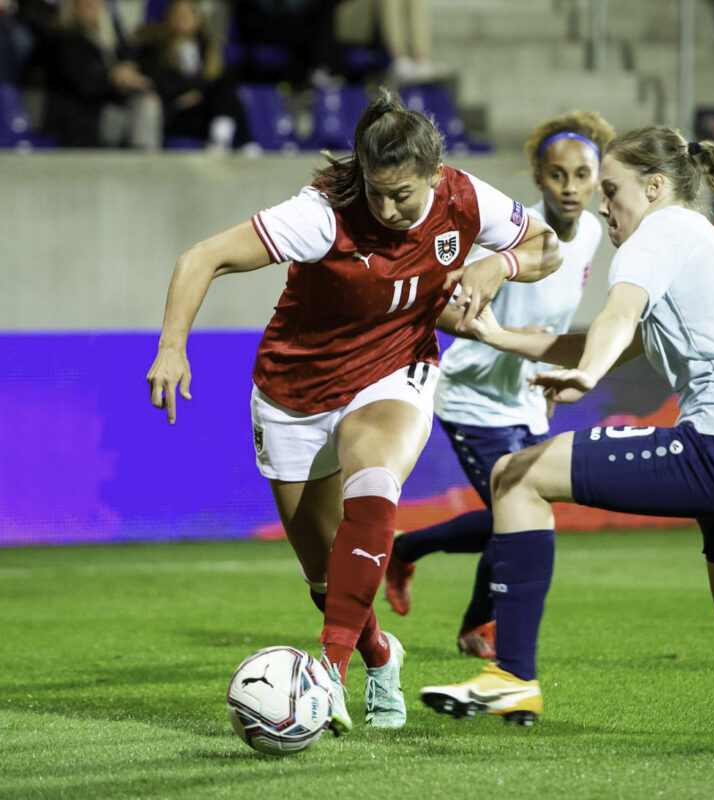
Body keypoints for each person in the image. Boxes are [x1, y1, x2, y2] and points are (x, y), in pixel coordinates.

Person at [147, 87, 562, 735]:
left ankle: (328, 672)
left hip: (395, 370)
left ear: (434, 175)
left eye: (403, 195)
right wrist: (173, 347)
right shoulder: (320, 216)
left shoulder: (464, 198)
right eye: (377, 193)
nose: (389, 209)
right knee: (323, 574)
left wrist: (501, 264)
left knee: (375, 480)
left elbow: (546, 247)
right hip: (293, 393)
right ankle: (379, 654)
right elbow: (202, 257)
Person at [419, 124, 714, 726]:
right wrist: (499, 336)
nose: (602, 204)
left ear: (654, 187)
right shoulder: (708, 244)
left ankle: (510, 677)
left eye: (611, 189)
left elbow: (617, 317)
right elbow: (609, 338)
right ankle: (508, 677)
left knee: (516, 475)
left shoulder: (659, 231)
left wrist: (589, 374)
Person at [384, 111, 615, 659]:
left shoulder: (591, 234)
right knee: (516, 514)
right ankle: (474, 625)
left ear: (598, 180)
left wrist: (546, 377)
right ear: (538, 177)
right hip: (473, 397)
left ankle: (408, 552)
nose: (570, 186)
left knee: (515, 514)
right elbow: (438, 304)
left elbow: (557, 317)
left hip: (525, 398)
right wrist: (506, 337)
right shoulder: (513, 235)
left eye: (582, 175)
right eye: (557, 174)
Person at [44, 0, 162, 148]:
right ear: (73, 9)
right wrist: (115, 78)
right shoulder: (63, 39)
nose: (92, 10)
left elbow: (128, 59)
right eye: (86, 6)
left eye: (96, 6)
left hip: (108, 107)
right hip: (80, 114)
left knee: (148, 101)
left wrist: (129, 73)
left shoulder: (108, 35)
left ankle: (145, 155)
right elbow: (85, 84)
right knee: (130, 111)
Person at [137, 0, 251, 149]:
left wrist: (199, 93)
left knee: (224, 86)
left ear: (197, 19)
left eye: (187, 14)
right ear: (169, 18)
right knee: (221, 93)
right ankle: (238, 140)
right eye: (177, 14)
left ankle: (226, 139)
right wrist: (192, 92)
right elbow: (160, 83)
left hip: (205, 109)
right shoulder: (157, 50)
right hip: (176, 111)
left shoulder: (207, 50)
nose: (182, 19)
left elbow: (219, 80)